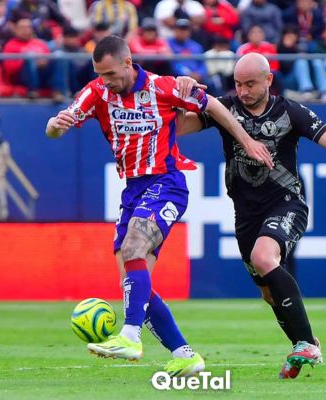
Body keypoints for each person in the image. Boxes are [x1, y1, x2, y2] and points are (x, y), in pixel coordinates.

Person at [45, 35, 273, 377]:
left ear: (127, 62)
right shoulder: (96, 93)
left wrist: (247, 140)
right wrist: (55, 128)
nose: (106, 81)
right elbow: (55, 129)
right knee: (134, 282)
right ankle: (185, 354)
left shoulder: (164, 87)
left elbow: (212, 105)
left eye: (110, 73)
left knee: (134, 245)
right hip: (132, 190)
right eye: (100, 74)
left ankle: (130, 335)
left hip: (166, 182)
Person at [176, 52, 326, 378]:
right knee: (267, 292)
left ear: (268, 81)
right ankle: (300, 346)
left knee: (265, 257)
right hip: (245, 215)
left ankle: (306, 341)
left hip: (287, 204)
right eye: (237, 83)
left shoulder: (289, 111)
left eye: (250, 84)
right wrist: (182, 95)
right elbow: (177, 128)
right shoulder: (225, 108)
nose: (243, 90)